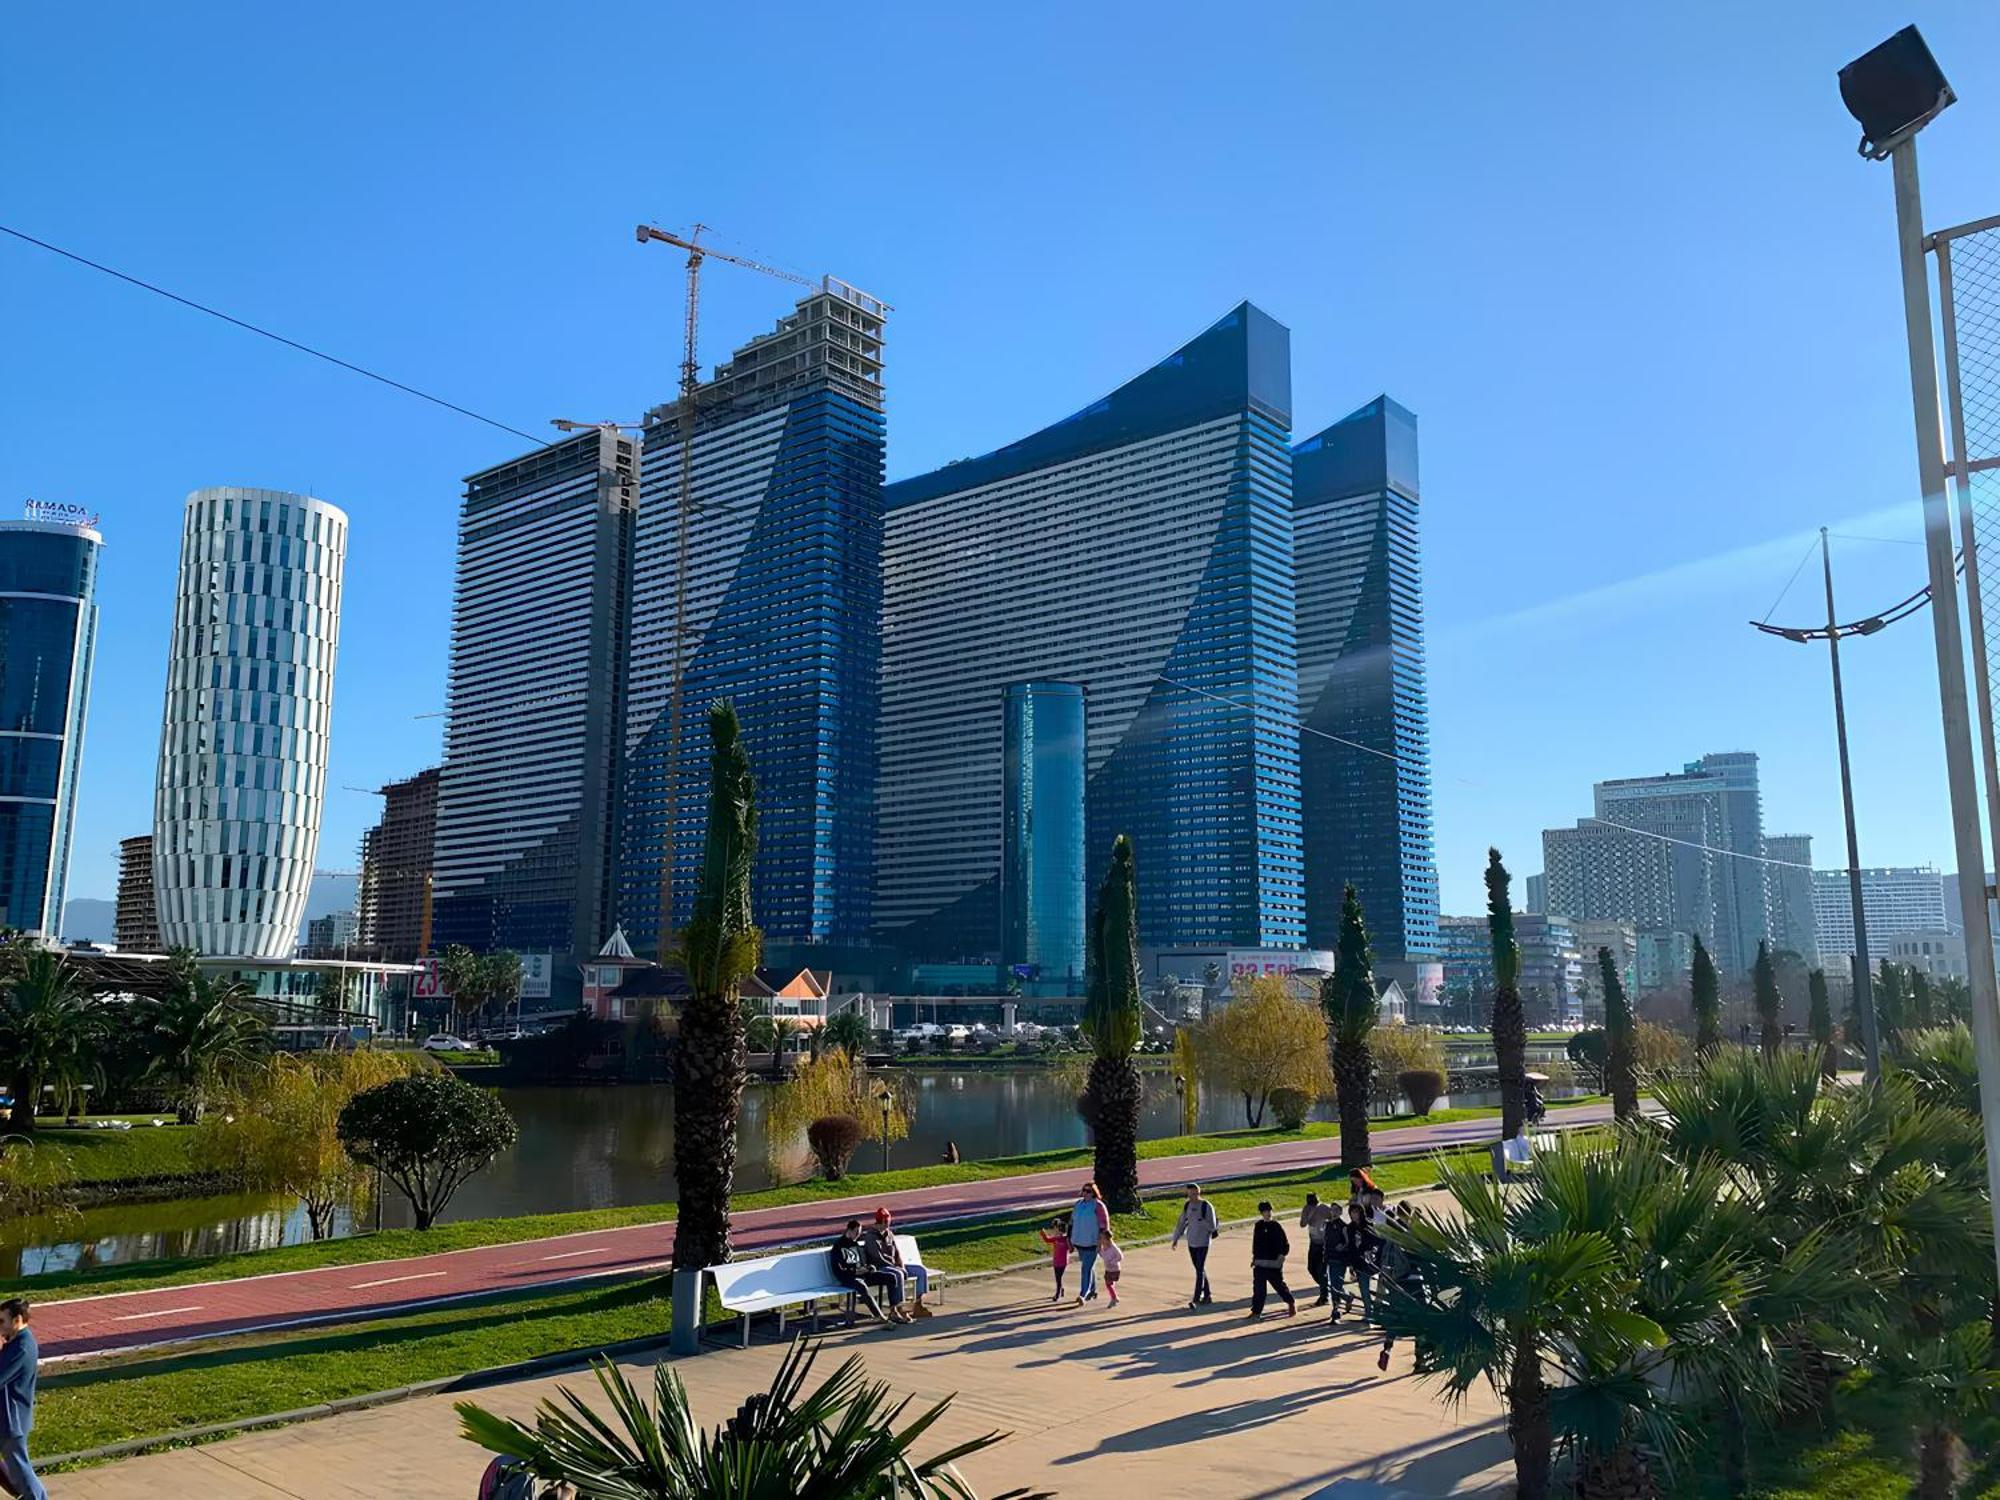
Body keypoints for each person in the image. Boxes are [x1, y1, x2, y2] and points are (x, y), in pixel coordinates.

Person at [0, 1298, 43, 1500]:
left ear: (17, 1320)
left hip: (11, 1421)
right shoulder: (17, 1342)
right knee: (18, 1471)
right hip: (8, 1417)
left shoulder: (21, 1348)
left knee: (22, 1472)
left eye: (2, 1321)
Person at [828, 1219, 908, 1324]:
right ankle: (879, 1316)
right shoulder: (838, 1246)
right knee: (862, 1286)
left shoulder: (855, 1245)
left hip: (863, 1274)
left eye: (859, 1233)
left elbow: (863, 1262)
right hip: (848, 1277)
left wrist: (869, 1268)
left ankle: (893, 1310)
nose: (858, 1235)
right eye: (856, 1232)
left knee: (891, 1277)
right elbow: (838, 1269)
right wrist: (855, 1271)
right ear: (849, 1230)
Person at [1377, 1204, 1426, 1372]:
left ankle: (1387, 1348)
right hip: (1415, 1282)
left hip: (1398, 1282)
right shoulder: (1414, 1235)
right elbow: (1422, 1259)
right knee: (1421, 1322)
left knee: (1396, 1318)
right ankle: (1420, 1360)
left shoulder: (1392, 1235)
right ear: (1411, 1213)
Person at [862, 1207, 930, 1319]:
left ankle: (918, 1304)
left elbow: (897, 1253)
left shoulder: (889, 1234)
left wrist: (901, 1266)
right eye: (887, 1222)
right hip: (880, 1267)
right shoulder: (871, 1237)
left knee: (920, 1271)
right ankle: (898, 1308)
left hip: (894, 1266)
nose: (888, 1225)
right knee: (898, 1274)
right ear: (883, 1222)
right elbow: (878, 1258)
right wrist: (897, 1268)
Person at [1169, 1182, 1219, 1308]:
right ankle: (1207, 1295)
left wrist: (1201, 1221)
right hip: (1191, 1242)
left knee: (1199, 1270)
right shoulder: (1187, 1206)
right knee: (1199, 1269)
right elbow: (1181, 1223)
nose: (1191, 1197)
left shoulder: (1206, 1206)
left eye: (1193, 1194)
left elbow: (1212, 1227)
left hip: (1203, 1242)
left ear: (1198, 1193)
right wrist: (1175, 1239)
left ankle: (1196, 1298)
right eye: (1189, 1194)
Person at [1248, 1201, 1297, 1318]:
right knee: (1259, 1288)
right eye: (1265, 1211)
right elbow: (1256, 1243)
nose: (1268, 1214)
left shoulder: (1276, 1226)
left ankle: (1290, 1302)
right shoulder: (1258, 1226)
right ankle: (1256, 1311)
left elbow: (1285, 1244)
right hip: (1260, 1262)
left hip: (1273, 1262)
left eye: (1269, 1211)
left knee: (1279, 1285)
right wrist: (1254, 1258)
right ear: (1261, 1213)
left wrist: (1281, 1256)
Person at [1334, 1199, 1379, 1320]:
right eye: (1352, 1212)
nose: (1354, 1215)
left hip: (1371, 1261)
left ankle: (1374, 1311)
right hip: (1358, 1262)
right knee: (1364, 1288)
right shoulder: (1350, 1228)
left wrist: (1369, 1252)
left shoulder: (1369, 1225)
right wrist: (1352, 1263)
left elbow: (1375, 1242)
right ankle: (1369, 1313)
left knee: (1376, 1289)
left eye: (1356, 1212)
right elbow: (1350, 1246)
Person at [1069, 1182, 1105, 1303]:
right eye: (1084, 1190)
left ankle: (1083, 1294)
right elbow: (1072, 1222)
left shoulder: (1098, 1205)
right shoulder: (1078, 1204)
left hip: (1092, 1243)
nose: (1085, 1193)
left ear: (1094, 1193)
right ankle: (1093, 1290)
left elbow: (1104, 1225)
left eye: (1089, 1191)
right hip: (1079, 1242)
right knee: (1089, 1267)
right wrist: (1070, 1239)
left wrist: (1101, 1242)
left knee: (1086, 1269)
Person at [1299, 1191, 1335, 1307]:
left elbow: (1333, 1219)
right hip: (1313, 1242)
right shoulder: (1306, 1209)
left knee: (1322, 1271)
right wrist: (1309, 1214)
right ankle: (1327, 1288)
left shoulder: (1324, 1208)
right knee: (1311, 1268)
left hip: (1324, 1244)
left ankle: (1324, 1296)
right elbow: (1302, 1224)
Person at [1038, 1216, 1072, 1302]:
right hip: (1056, 1261)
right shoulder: (1056, 1238)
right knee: (1058, 1278)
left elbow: (1071, 1249)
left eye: (1058, 1230)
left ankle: (1057, 1294)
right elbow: (1047, 1239)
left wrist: (1069, 1242)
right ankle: (1061, 1289)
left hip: (1063, 1262)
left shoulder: (1066, 1239)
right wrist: (1043, 1233)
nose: (1056, 1232)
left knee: (1058, 1278)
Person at [1098, 1220, 1125, 1305]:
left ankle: (1114, 1298)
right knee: (1109, 1284)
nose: (1101, 1240)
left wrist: (1113, 1262)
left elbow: (1120, 1256)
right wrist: (1099, 1251)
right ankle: (1114, 1297)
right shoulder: (1104, 1247)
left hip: (1114, 1269)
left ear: (1107, 1239)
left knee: (1109, 1284)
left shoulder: (1113, 1248)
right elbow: (1103, 1255)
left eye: (1102, 1238)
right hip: (1108, 1269)